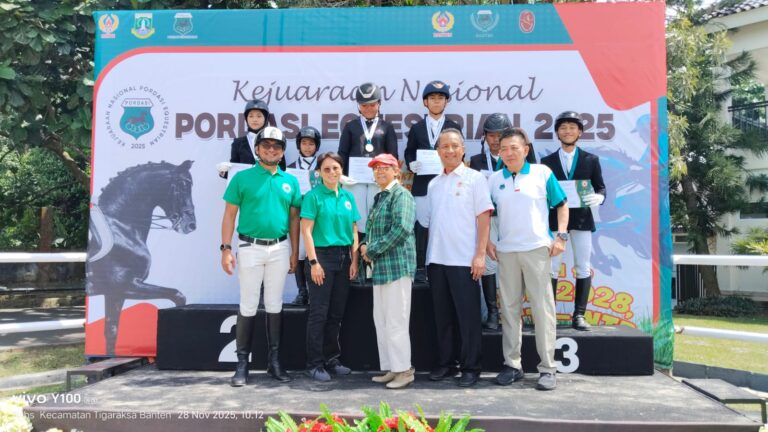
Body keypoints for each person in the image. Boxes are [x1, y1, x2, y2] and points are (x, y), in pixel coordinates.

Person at [487, 128, 568, 391]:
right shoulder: (494, 179)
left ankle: (548, 368)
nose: (508, 153)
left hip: (537, 250)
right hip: (506, 252)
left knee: (542, 310)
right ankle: (513, 365)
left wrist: (561, 236)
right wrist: (487, 242)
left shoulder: (542, 173)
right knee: (509, 310)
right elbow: (487, 215)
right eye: (503, 149)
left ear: (526, 149)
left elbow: (562, 204)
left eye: (514, 148)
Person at [220, 126, 301, 386]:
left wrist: (295, 251)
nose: (271, 150)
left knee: (275, 304)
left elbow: (294, 219)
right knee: (249, 304)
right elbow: (229, 215)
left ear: (282, 152)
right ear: (257, 149)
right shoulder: (242, 178)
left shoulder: (291, 181)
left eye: (276, 146)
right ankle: (242, 364)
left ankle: (274, 362)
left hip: (280, 248)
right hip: (249, 247)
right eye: (266, 145)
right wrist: (225, 248)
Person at [424, 128, 493, 387]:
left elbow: (484, 217)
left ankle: (471, 367)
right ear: (438, 152)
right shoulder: (433, 184)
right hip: (437, 260)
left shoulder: (475, 178)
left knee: (468, 318)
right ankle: (447, 363)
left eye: (455, 146)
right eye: (444, 146)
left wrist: (480, 254)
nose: (450, 151)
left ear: (463, 149)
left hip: (464, 260)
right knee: (442, 317)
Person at [540, 111, 606, 331]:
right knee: (552, 267)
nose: (567, 131)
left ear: (580, 132)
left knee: (583, 266)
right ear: (557, 132)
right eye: (563, 128)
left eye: (572, 127)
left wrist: (600, 197)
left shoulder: (591, 160)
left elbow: (601, 187)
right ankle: (549, 314)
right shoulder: (546, 162)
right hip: (555, 221)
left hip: (582, 220)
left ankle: (579, 315)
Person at [300, 152, 360, 381]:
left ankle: (331, 359)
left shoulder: (348, 196)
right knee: (319, 313)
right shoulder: (313, 196)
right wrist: (314, 262)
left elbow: (354, 229)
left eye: (336, 168)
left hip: (344, 259)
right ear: (319, 173)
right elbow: (306, 231)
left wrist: (354, 260)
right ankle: (314, 364)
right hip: (321, 258)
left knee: (336, 314)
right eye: (326, 169)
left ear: (342, 170)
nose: (332, 172)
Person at [360, 153, 417, 390]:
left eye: (385, 167)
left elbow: (401, 229)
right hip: (381, 269)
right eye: (376, 168)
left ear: (397, 172)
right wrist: (365, 244)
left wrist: (371, 250)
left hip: (397, 267)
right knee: (382, 321)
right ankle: (393, 368)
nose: (380, 171)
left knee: (396, 322)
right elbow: (373, 230)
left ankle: (405, 371)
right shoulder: (380, 197)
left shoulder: (401, 195)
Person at [404, 80, 461, 283]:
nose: (436, 102)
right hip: (422, 185)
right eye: (432, 98)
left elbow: (460, 154)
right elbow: (409, 151)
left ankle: (443, 265)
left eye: (440, 98)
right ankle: (420, 267)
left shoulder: (454, 127)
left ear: (446, 102)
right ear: (425, 102)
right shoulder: (417, 128)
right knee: (421, 227)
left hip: (447, 184)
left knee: (445, 224)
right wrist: (411, 163)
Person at [337, 82, 398, 238]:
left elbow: (393, 156)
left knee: (377, 217)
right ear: (358, 106)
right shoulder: (350, 126)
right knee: (355, 219)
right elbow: (342, 153)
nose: (368, 108)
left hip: (378, 180)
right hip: (354, 181)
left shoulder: (387, 127)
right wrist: (341, 175)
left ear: (379, 103)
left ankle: (374, 250)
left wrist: (390, 178)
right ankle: (355, 251)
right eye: (364, 105)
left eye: (372, 104)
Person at [289, 126, 322, 306]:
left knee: (316, 253)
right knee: (300, 253)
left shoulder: (323, 166)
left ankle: (316, 291)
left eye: (311, 144)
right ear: (298, 145)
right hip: (299, 216)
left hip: (319, 216)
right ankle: (302, 292)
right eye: (304, 143)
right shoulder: (290, 168)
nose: (307, 147)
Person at [217, 99, 285, 177]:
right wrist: (223, 172)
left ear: (265, 118)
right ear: (246, 119)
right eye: (251, 116)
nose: (254, 120)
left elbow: (283, 170)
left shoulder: (276, 141)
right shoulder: (238, 143)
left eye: (259, 116)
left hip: (270, 183)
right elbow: (234, 172)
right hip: (245, 184)